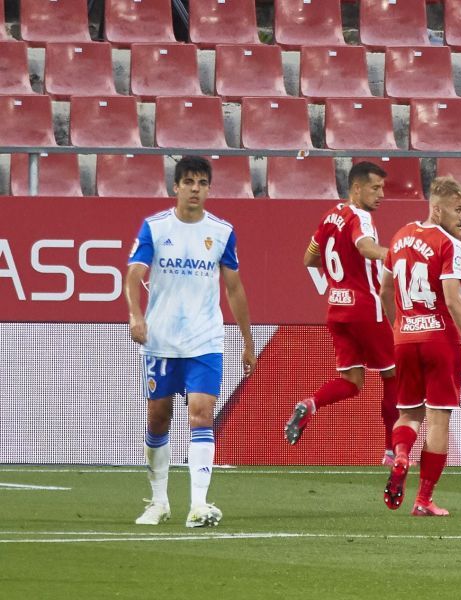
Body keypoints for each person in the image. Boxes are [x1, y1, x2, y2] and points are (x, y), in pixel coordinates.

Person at [125, 156, 256, 528]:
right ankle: (159, 500)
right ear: (176, 187)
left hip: (205, 339)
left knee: (201, 414)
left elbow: (234, 288)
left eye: (202, 182)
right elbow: (134, 274)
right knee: (158, 418)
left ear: (208, 189)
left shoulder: (222, 232)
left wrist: (247, 340)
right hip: (162, 339)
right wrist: (136, 315)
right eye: (188, 182)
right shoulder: (155, 227)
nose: (195, 188)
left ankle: (198, 504)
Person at [380, 176, 461, 516]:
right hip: (440, 340)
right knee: (439, 421)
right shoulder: (448, 245)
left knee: (408, 414)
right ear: (436, 208)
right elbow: (454, 301)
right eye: (457, 210)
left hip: (405, 339)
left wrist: (401, 325)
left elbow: (385, 290)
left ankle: (401, 455)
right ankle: (423, 499)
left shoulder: (398, 236)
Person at [284, 161, 399, 466]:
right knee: (394, 374)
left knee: (351, 381)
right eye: (375, 188)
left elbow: (309, 258)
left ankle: (311, 403)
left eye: (383, 188)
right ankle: (392, 452)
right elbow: (365, 247)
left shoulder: (330, 215)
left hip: (337, 308)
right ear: (357, 188)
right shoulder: (360, 217)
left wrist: (340, 276)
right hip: (365, 308)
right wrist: (401, 255)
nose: (381, 194)